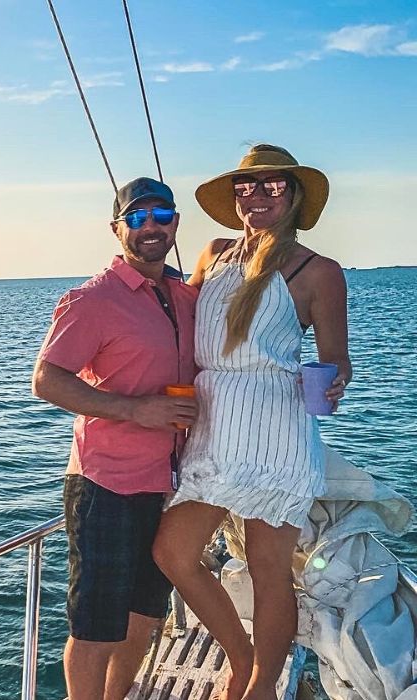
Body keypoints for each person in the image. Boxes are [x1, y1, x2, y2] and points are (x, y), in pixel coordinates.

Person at [152, 144, 351, 700]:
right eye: (246, 186)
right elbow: (180, 325)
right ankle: (240, 659)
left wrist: (333, 379)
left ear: (293, 195)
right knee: (171, 552)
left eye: (272, 185)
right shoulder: (214, 254)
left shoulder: (319, 271)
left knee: (269, 571)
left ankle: (262, 684)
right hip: (213, 423)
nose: (256, 195)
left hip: (275, 429)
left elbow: (337, 357)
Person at [33, 176, 199, 700]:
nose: (150, 226)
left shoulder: (184, 294)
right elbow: (47, 379)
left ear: (175, 222)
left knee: (146, 614)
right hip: (106, 483)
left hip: (168, 482)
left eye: (161, 215)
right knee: (95, 626)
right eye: (136, 217)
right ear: (117, 228)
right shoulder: (93, 300)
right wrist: (136, 410)